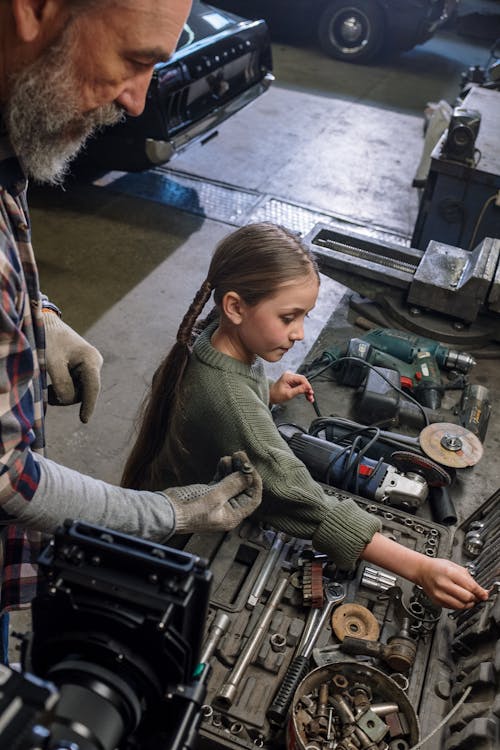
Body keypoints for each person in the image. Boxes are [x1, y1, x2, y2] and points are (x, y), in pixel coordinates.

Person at [0, 0, 263, 651]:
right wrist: (171, 512)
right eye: (134, 60)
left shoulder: (11, 117)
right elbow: (12, 482)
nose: (137, 101)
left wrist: (38, 313)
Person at [122, 222, 489, 612]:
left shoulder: (212, 339)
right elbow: (299, 498)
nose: (298, 334)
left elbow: (224, 398)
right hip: (176, 539)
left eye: (304, 318)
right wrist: (419, 567)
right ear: (235, 306)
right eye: (288, 317)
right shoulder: (231, 403)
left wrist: (267, 392)